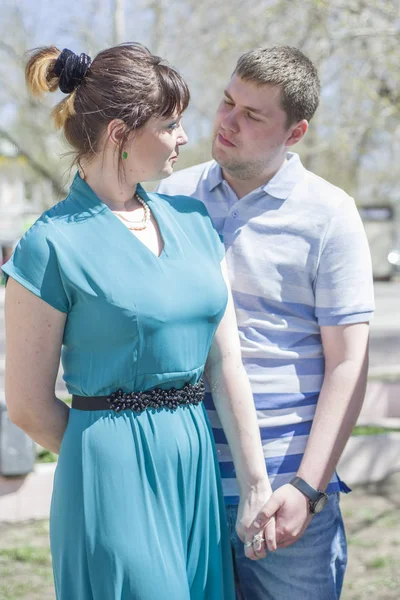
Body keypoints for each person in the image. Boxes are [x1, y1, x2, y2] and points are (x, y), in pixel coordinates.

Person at [2, 43, 276, 600]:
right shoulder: (50, 244)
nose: (182, 138)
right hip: (110, 476)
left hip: (194, 467)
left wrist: (253, 483)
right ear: (120, 134)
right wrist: (108, 452)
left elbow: (225, 365)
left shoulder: (195, 221)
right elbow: (28, 406)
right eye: (170, 124)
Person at [157, 45, 375, 599]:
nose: (227, 122)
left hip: (285, 501)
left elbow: (348, 365)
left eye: (252, 115)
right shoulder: (170, 197)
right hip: (186, 489)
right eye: (228, 102)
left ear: (295, 132)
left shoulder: (330, 214)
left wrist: (307, 487)